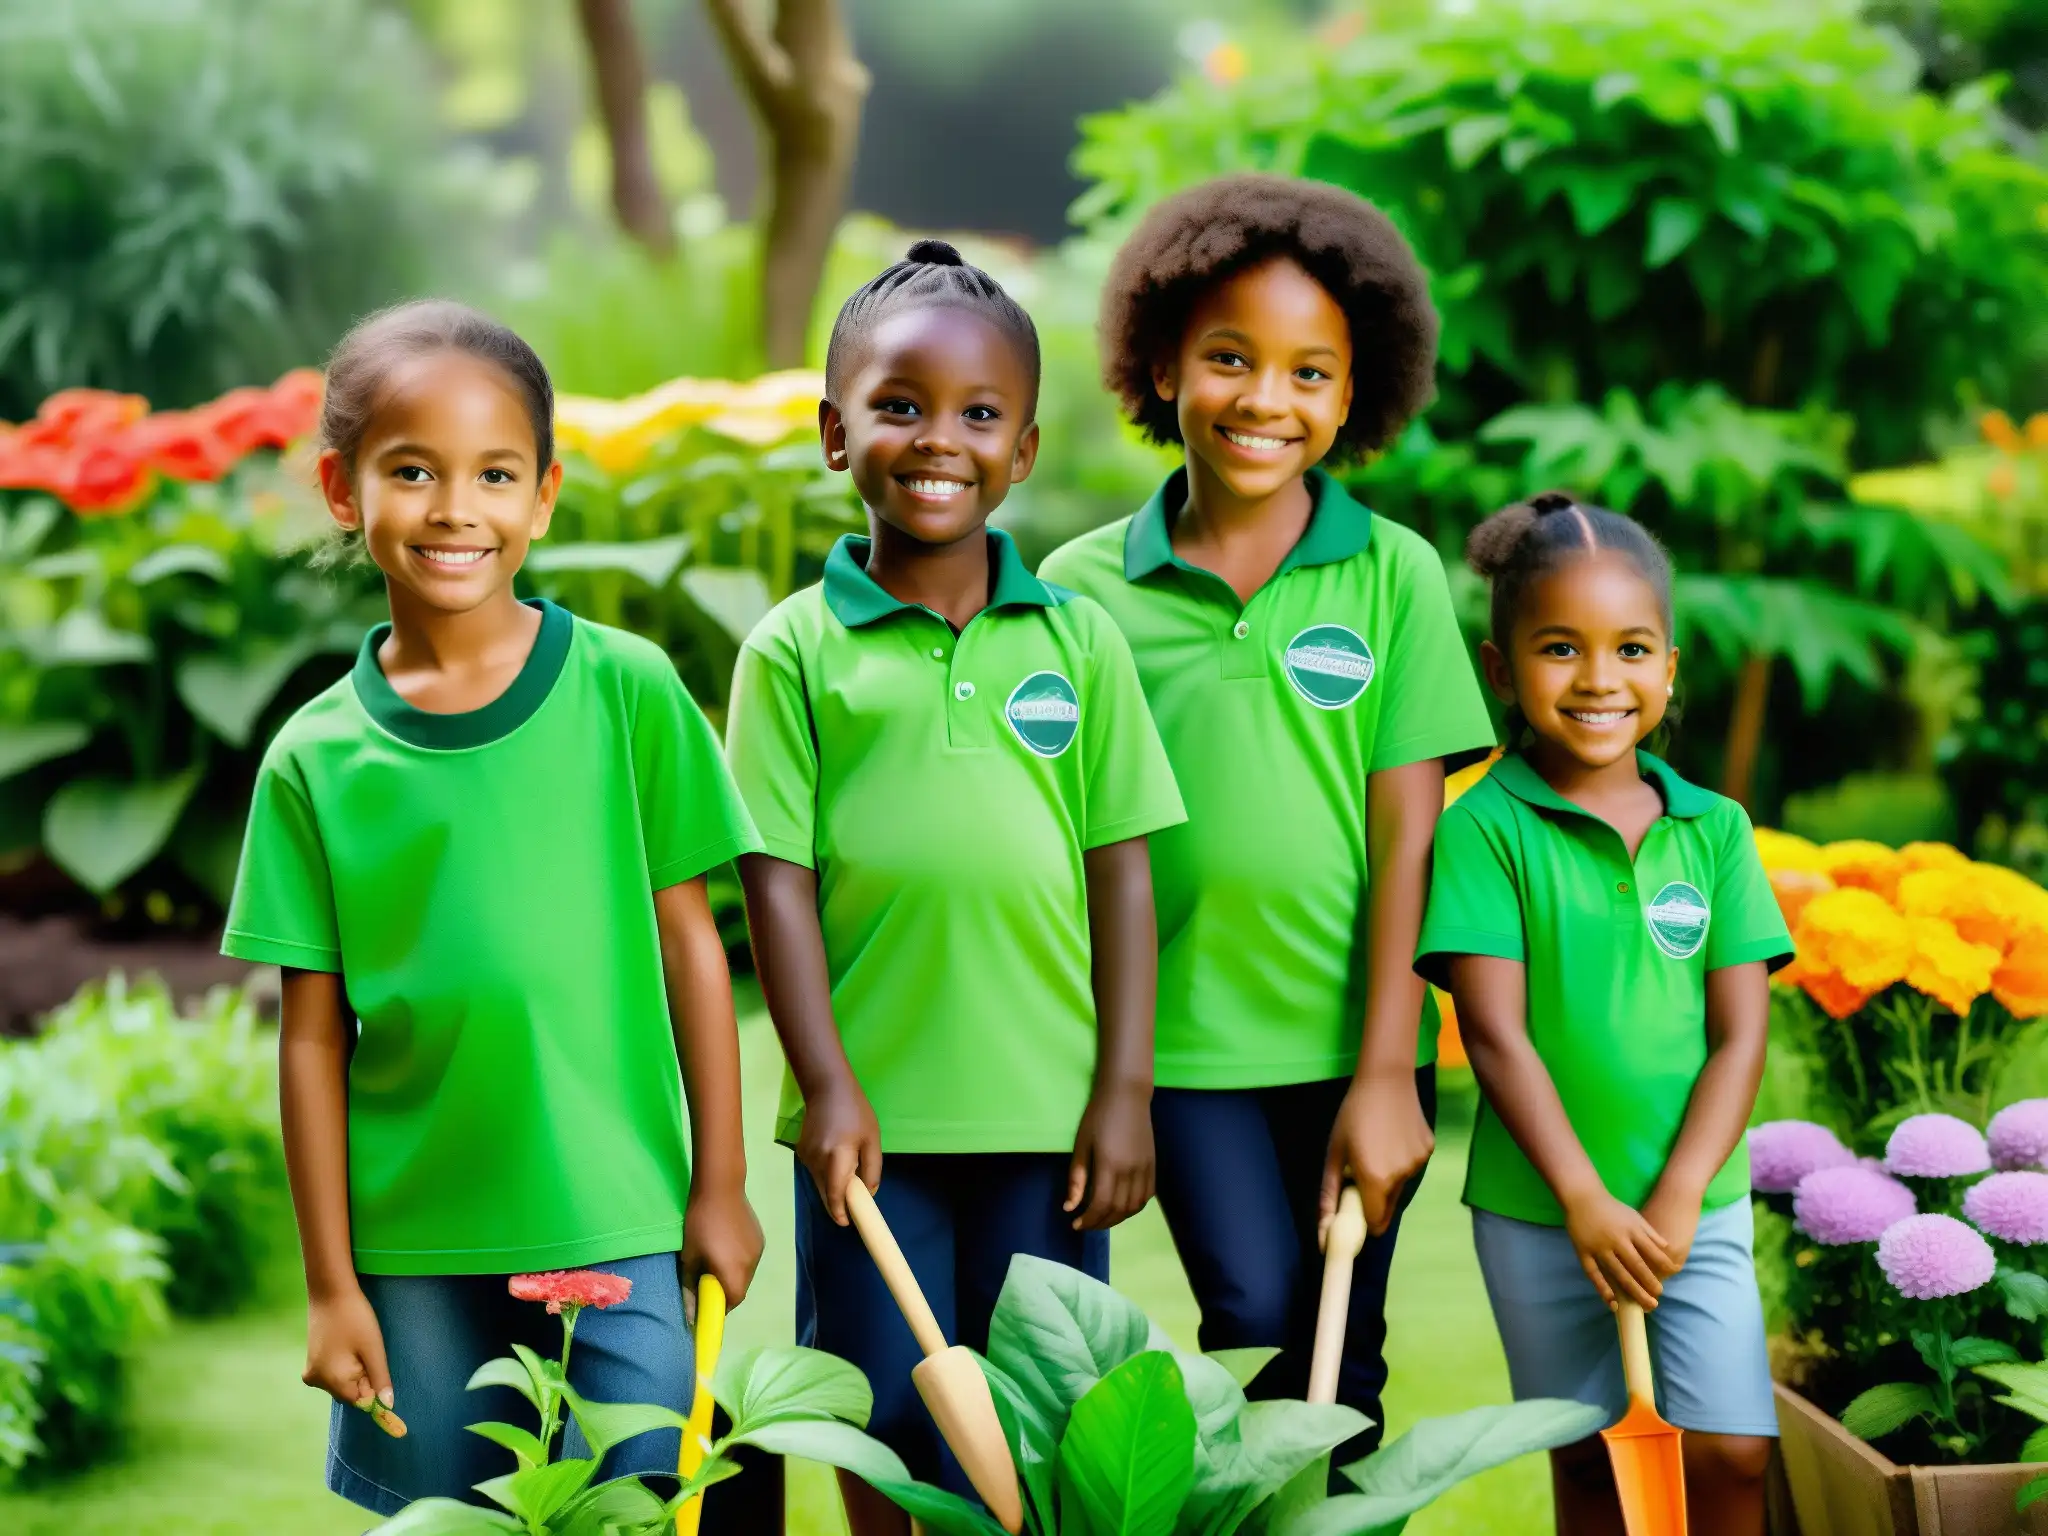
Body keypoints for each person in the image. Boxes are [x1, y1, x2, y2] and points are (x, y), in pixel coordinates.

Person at [221, 300, 765, 1517]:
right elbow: (310, 1038)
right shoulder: (313, 760)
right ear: (341, 488)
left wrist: (716, 1185)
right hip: (407, 1253)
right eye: (411, 471)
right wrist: (329, 1285)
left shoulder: (628, 691)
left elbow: (692, 948)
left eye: (494, 473)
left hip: (615, 1219)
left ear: (544, 494)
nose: (455, 507)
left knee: (637, 1503)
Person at [726, 240, 1185, 1534]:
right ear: (834, 433)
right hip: (875, 1132)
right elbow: (776, 885)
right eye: (900, 405)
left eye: (980, 414)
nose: (940, 439)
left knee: (1042, 1422)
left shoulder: (1079, 641)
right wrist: (825, 1085)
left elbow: (1124, 876)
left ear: (1026, 450)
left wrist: (1125, 1090)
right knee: (885, 1417)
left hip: (1053, 1125)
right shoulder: (796, 651)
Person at [1038, 173, 1494, 1464]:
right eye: (1231, 359)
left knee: (1347, 1354)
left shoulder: (1390, 570)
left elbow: (1414, 834)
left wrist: (1392, 1070)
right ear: (1163, 362)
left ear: (1356, 395)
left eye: (1310, 373)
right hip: (1177, 1050)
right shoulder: (1081, 594)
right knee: (1254, 1316)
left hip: (1352, 1040)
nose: (1266, 401)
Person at [1417, 492, 1792, 1535]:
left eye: (1630, 648)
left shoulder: (1711, 831)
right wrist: (1580, 1196)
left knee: (1725, 1451)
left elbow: (1738, 1036)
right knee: (1586, 1464)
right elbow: (1495, 1035)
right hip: (1541, 1216)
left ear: (1668, 668)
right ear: (1500, 670)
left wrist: (1675, 1195)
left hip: (1695, 1210)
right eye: (1557, 648)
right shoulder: (1483, 827)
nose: (1596, 680)